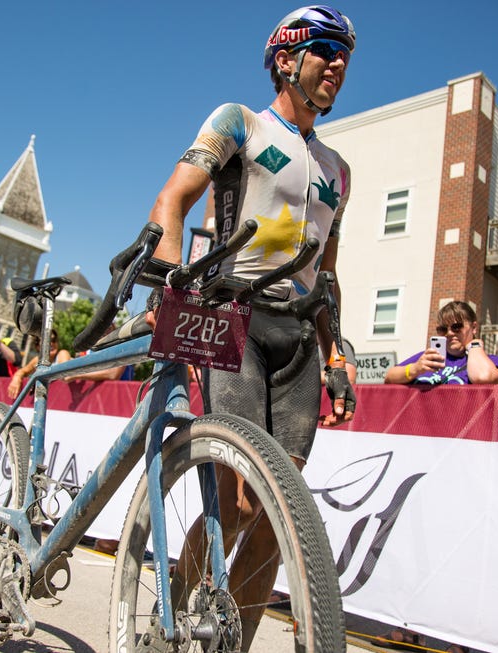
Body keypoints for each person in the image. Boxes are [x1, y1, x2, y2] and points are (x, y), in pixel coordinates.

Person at [140, 7, 356, 648]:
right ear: (286, 59)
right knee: (234, 503)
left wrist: (337, 355)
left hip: (297, 335)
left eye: (346, 56)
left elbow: (328, 273)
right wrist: (168, 279)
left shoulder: (339, 170)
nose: (339, 65)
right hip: (235, 315)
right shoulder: (240, 121)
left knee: (276, 517)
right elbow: (173, 200)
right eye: (325, 50)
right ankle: (164, 624)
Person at [386, 301, 498, 385]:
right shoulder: (429, 358)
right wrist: (415, 369)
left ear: (474, 327)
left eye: (456, 327)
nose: (449, 333)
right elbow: (389, 378)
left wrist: (475, 345)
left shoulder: (492, 362)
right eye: (443, 329)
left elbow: (483, 377)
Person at [6, 329, 72, 398]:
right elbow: (23, 371)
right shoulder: (38, 360)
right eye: (47, 342)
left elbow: (64, 374)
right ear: (38, 347)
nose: (51, 344)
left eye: (54, 340)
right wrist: (17, 378)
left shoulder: (62, 354)